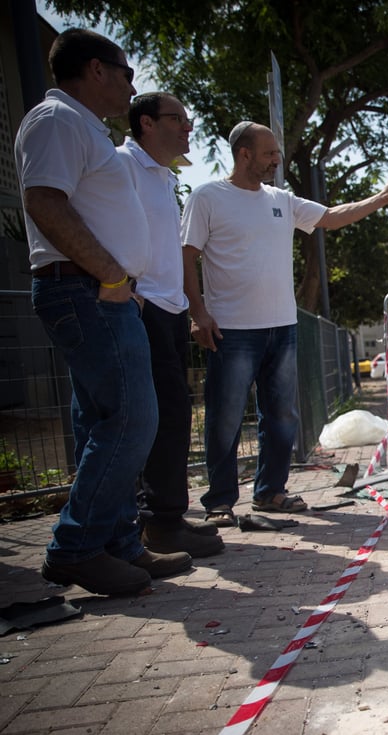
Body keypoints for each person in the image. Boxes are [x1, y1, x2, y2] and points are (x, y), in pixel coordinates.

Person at [14, 28, 192, 595]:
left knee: (104, 422)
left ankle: (117, 542)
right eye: (125, 72)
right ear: (96, 69)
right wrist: (113, 275)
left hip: (99, 293)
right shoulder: (57, 121)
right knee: (134, 419)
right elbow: (43, 201)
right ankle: (76, 547)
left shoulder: (79, 126)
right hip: (87, 292)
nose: (129, 85)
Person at [182, 122, 388, 525]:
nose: (277, 160)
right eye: (270, 153)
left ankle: (270, 492)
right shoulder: (208, 197)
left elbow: (331, 217)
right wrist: (197, 311)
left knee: (283, 416)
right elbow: (186, 255)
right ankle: (220, 503)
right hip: (232, 330)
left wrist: (380, 198)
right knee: (225, 416)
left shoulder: (282, 199)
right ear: (244, 154)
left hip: (282, 328)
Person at [116, 92, 224, 558]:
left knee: (175, 416)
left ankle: (168, 518)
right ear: (145, 123)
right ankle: (154, 523)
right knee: (152, 418)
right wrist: (130, 292)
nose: (187, 128)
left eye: (188, 119)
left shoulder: (162, 177)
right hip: (142, 307)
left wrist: (190, 307)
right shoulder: (122, 167)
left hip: (169, 309)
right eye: (177, 119)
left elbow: (170, 252)